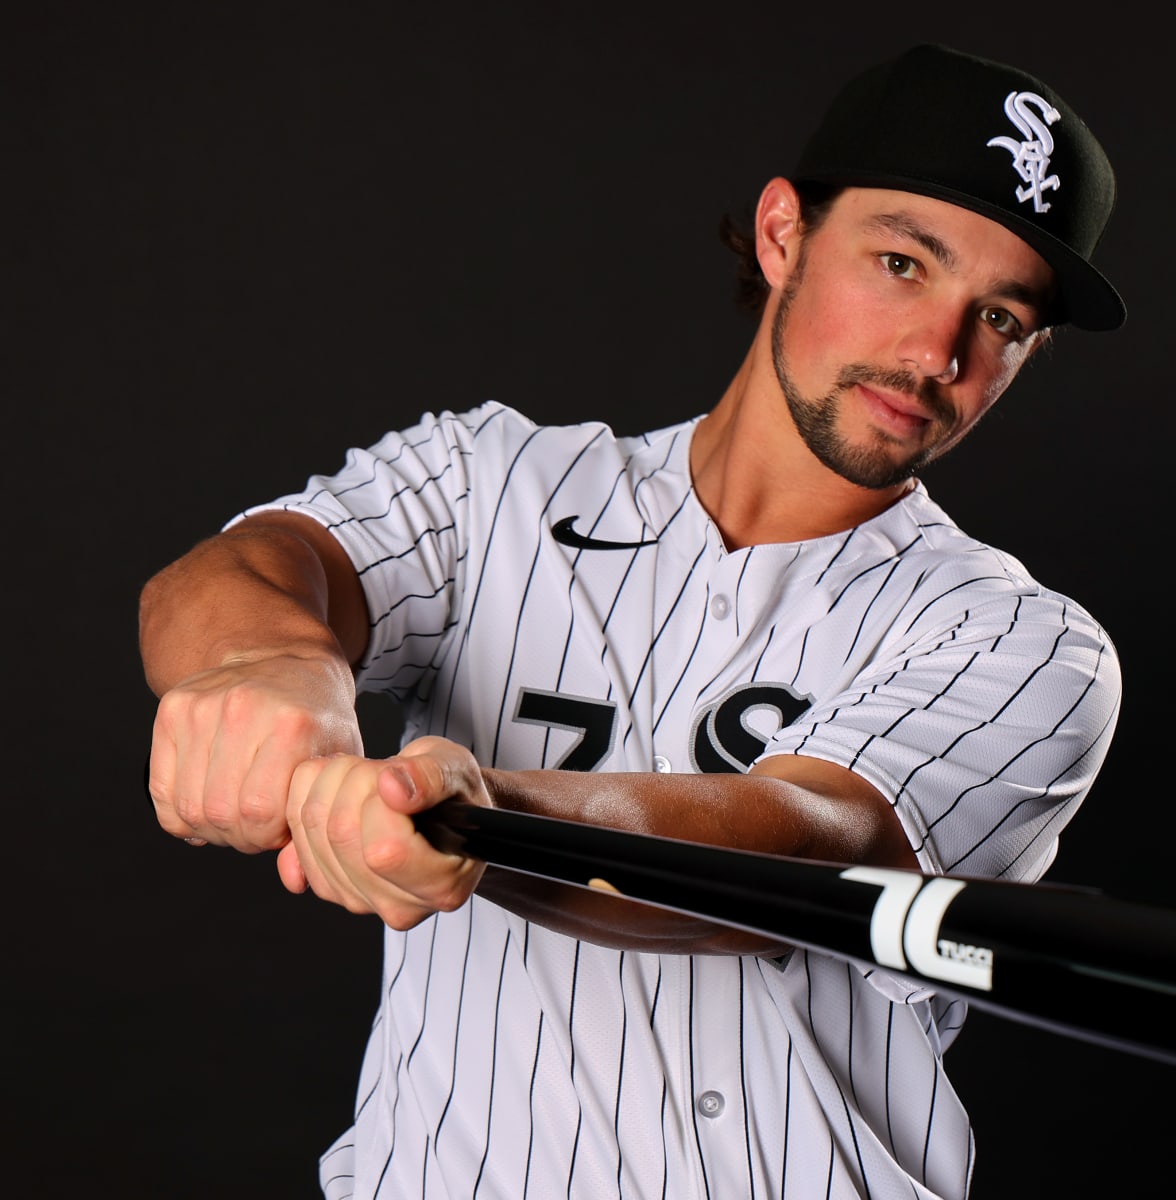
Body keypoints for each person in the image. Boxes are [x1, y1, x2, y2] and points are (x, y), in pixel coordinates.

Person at [140, 43, 1126, 1200]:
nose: (935, 352)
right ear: (781, 235)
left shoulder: (1026, 646)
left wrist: (473, 812)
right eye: (902, 262)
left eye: (999, 317)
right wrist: (269, 670)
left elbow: (800, 848)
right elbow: (257, 565)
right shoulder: (492, 481)